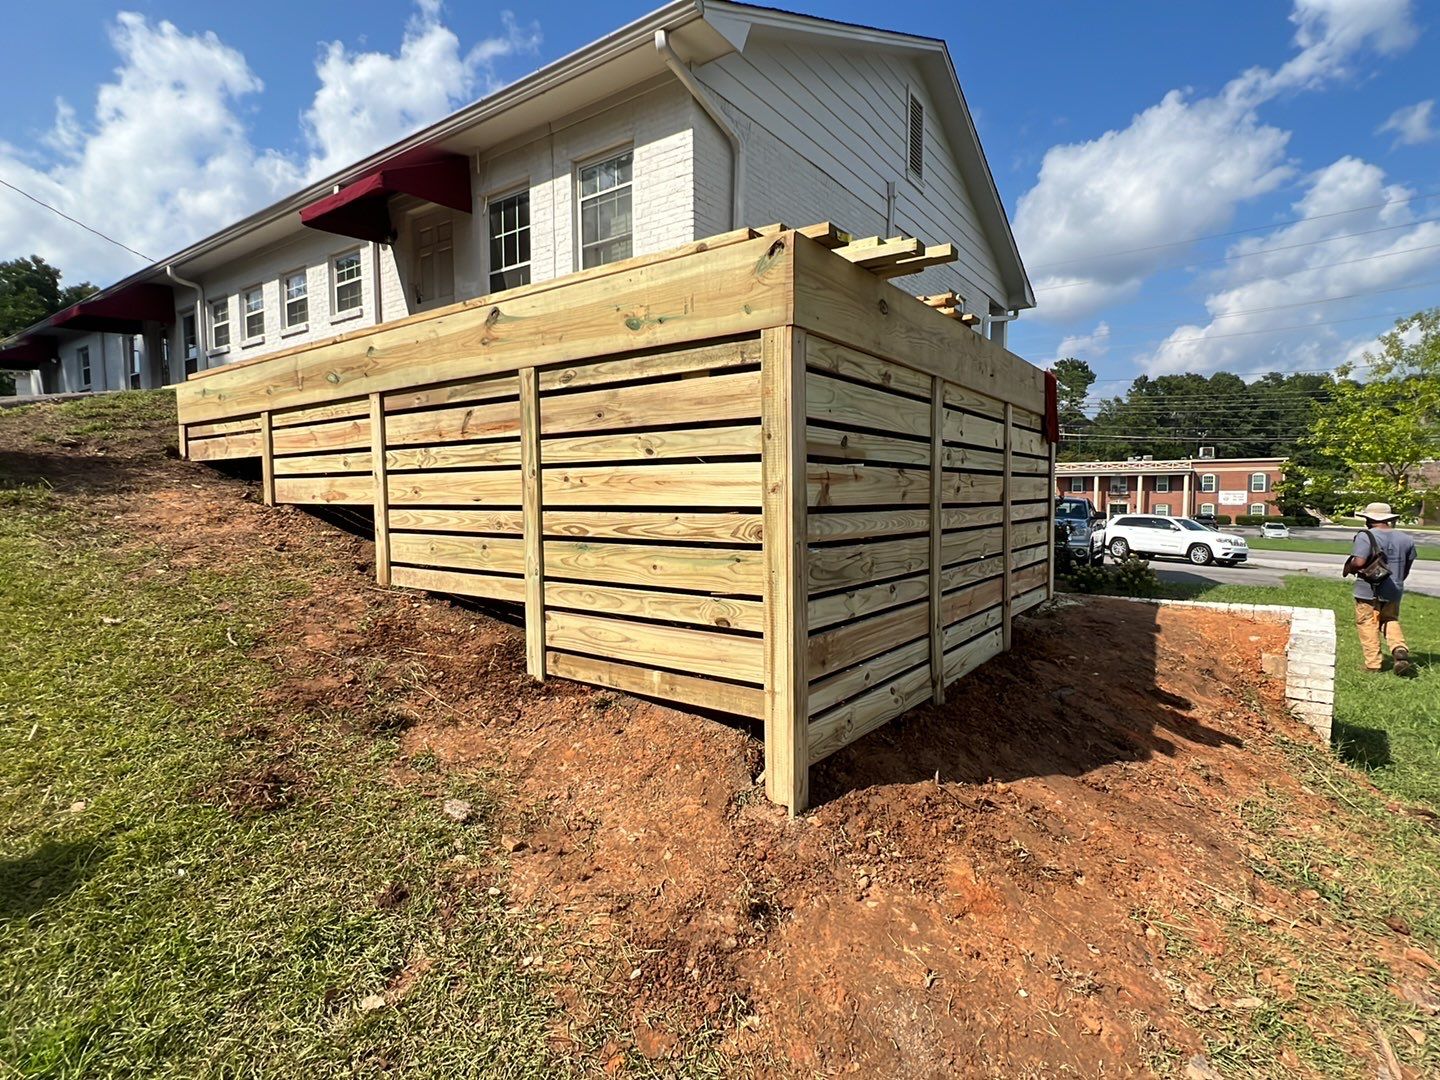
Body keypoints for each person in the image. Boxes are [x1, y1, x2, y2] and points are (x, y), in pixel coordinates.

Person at [1343, 502, 1418, 677]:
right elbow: (1407, 567)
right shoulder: (1406, 539)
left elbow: (1360, 562)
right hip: (1394, 588)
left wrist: (1350, 566)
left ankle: (1373, 664)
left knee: (1367, 623)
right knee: (1389, 619)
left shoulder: (1365, 536)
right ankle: (1399, 648)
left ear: (1369, 519)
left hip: (1367, 590)